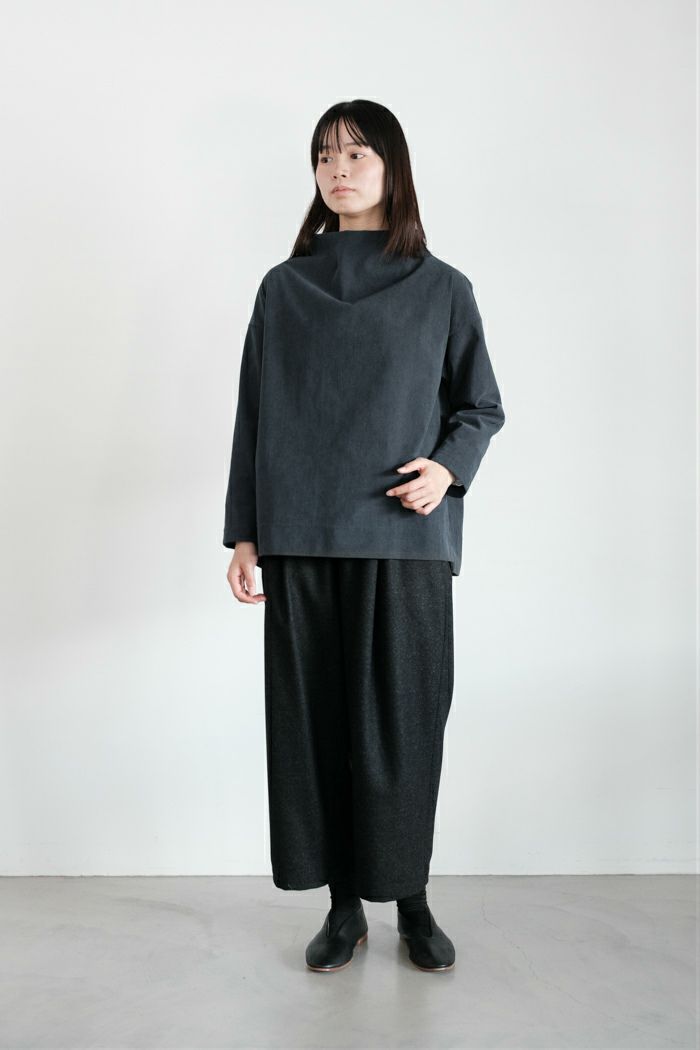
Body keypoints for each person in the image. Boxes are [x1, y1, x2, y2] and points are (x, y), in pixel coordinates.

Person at [223, 99, 505, 973]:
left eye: (356, 154)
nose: (337, 170)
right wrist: (244, 534)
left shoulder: (442, 287)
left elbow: (480, 406)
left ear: (392, 167)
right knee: (316, 729)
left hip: (402, 540)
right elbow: (254, 415)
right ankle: (343, 908)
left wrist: (446, 470)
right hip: (302, 536)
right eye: (323, 156)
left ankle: (410, 901)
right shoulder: (284, 287)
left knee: (403, 729)